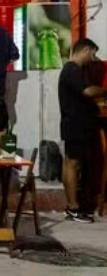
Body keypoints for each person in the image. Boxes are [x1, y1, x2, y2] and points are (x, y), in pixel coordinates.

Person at [59, 38, 107, 223]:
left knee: (71, 163)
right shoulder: (72, 70)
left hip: (74, 123)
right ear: (85, 50)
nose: (93, 59)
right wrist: (104, 90)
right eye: (92, 54)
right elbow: (87, 92)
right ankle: (73, 207)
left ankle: (72, 206)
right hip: (75, 124)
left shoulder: (73, 71)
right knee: (73, 164)